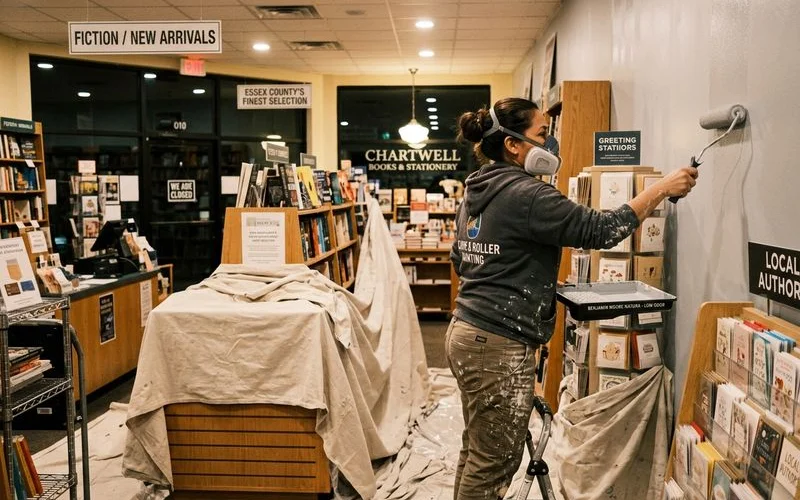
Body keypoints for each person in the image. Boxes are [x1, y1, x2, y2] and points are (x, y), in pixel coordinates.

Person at [446, 97, 698, 500]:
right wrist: (662, 189)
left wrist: (506, 274)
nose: (552, 146)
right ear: (513, 144)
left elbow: (460, 258)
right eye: (542, 135)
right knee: (495, 461)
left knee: (479, 449)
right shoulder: (526, 195)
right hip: (495, 343)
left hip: (467, 331)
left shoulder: (479, 187)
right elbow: (601, 230)